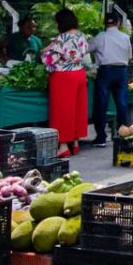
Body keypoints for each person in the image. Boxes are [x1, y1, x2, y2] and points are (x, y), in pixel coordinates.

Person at [42, 9, 92, 156]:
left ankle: (63, 145)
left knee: (62, 110)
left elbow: (50, 60)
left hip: (63, 76)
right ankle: (75, 142)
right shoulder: (82, 36)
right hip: (79, 74)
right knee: (77, 108)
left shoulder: (62, 38)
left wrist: (44, 52)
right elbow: (84, 52)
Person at [89, 10, 133, 146]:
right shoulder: (125, 37)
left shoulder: (100, 37)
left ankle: (101, 137)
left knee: (101, 104)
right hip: (121, 71)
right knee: (121, 103)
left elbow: (87, 49)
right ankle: (122, 134)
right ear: (118, 23)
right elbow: (130, 56)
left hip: (105, 72)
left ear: (105, 24)